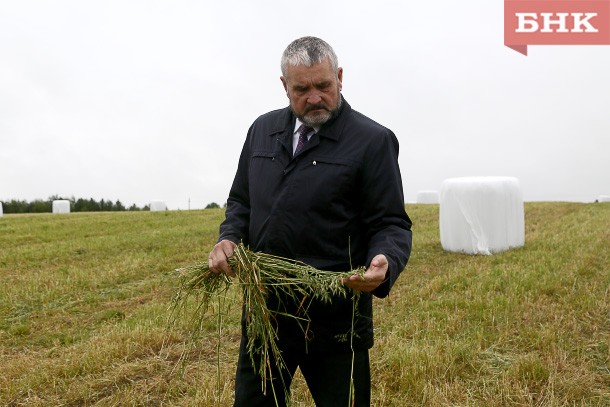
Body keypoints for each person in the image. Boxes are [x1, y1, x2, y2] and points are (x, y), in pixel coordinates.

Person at [208, 36, 412, 407]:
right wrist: (230, 238)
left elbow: (392, 223)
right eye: (302, 89)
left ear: (340, 77)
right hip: (265, 312)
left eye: (324, 86)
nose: (315, 97)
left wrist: (385, 259)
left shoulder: (372, 141)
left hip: (336, 319)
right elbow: (240, 202)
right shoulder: (261, 131)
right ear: (285, 86)